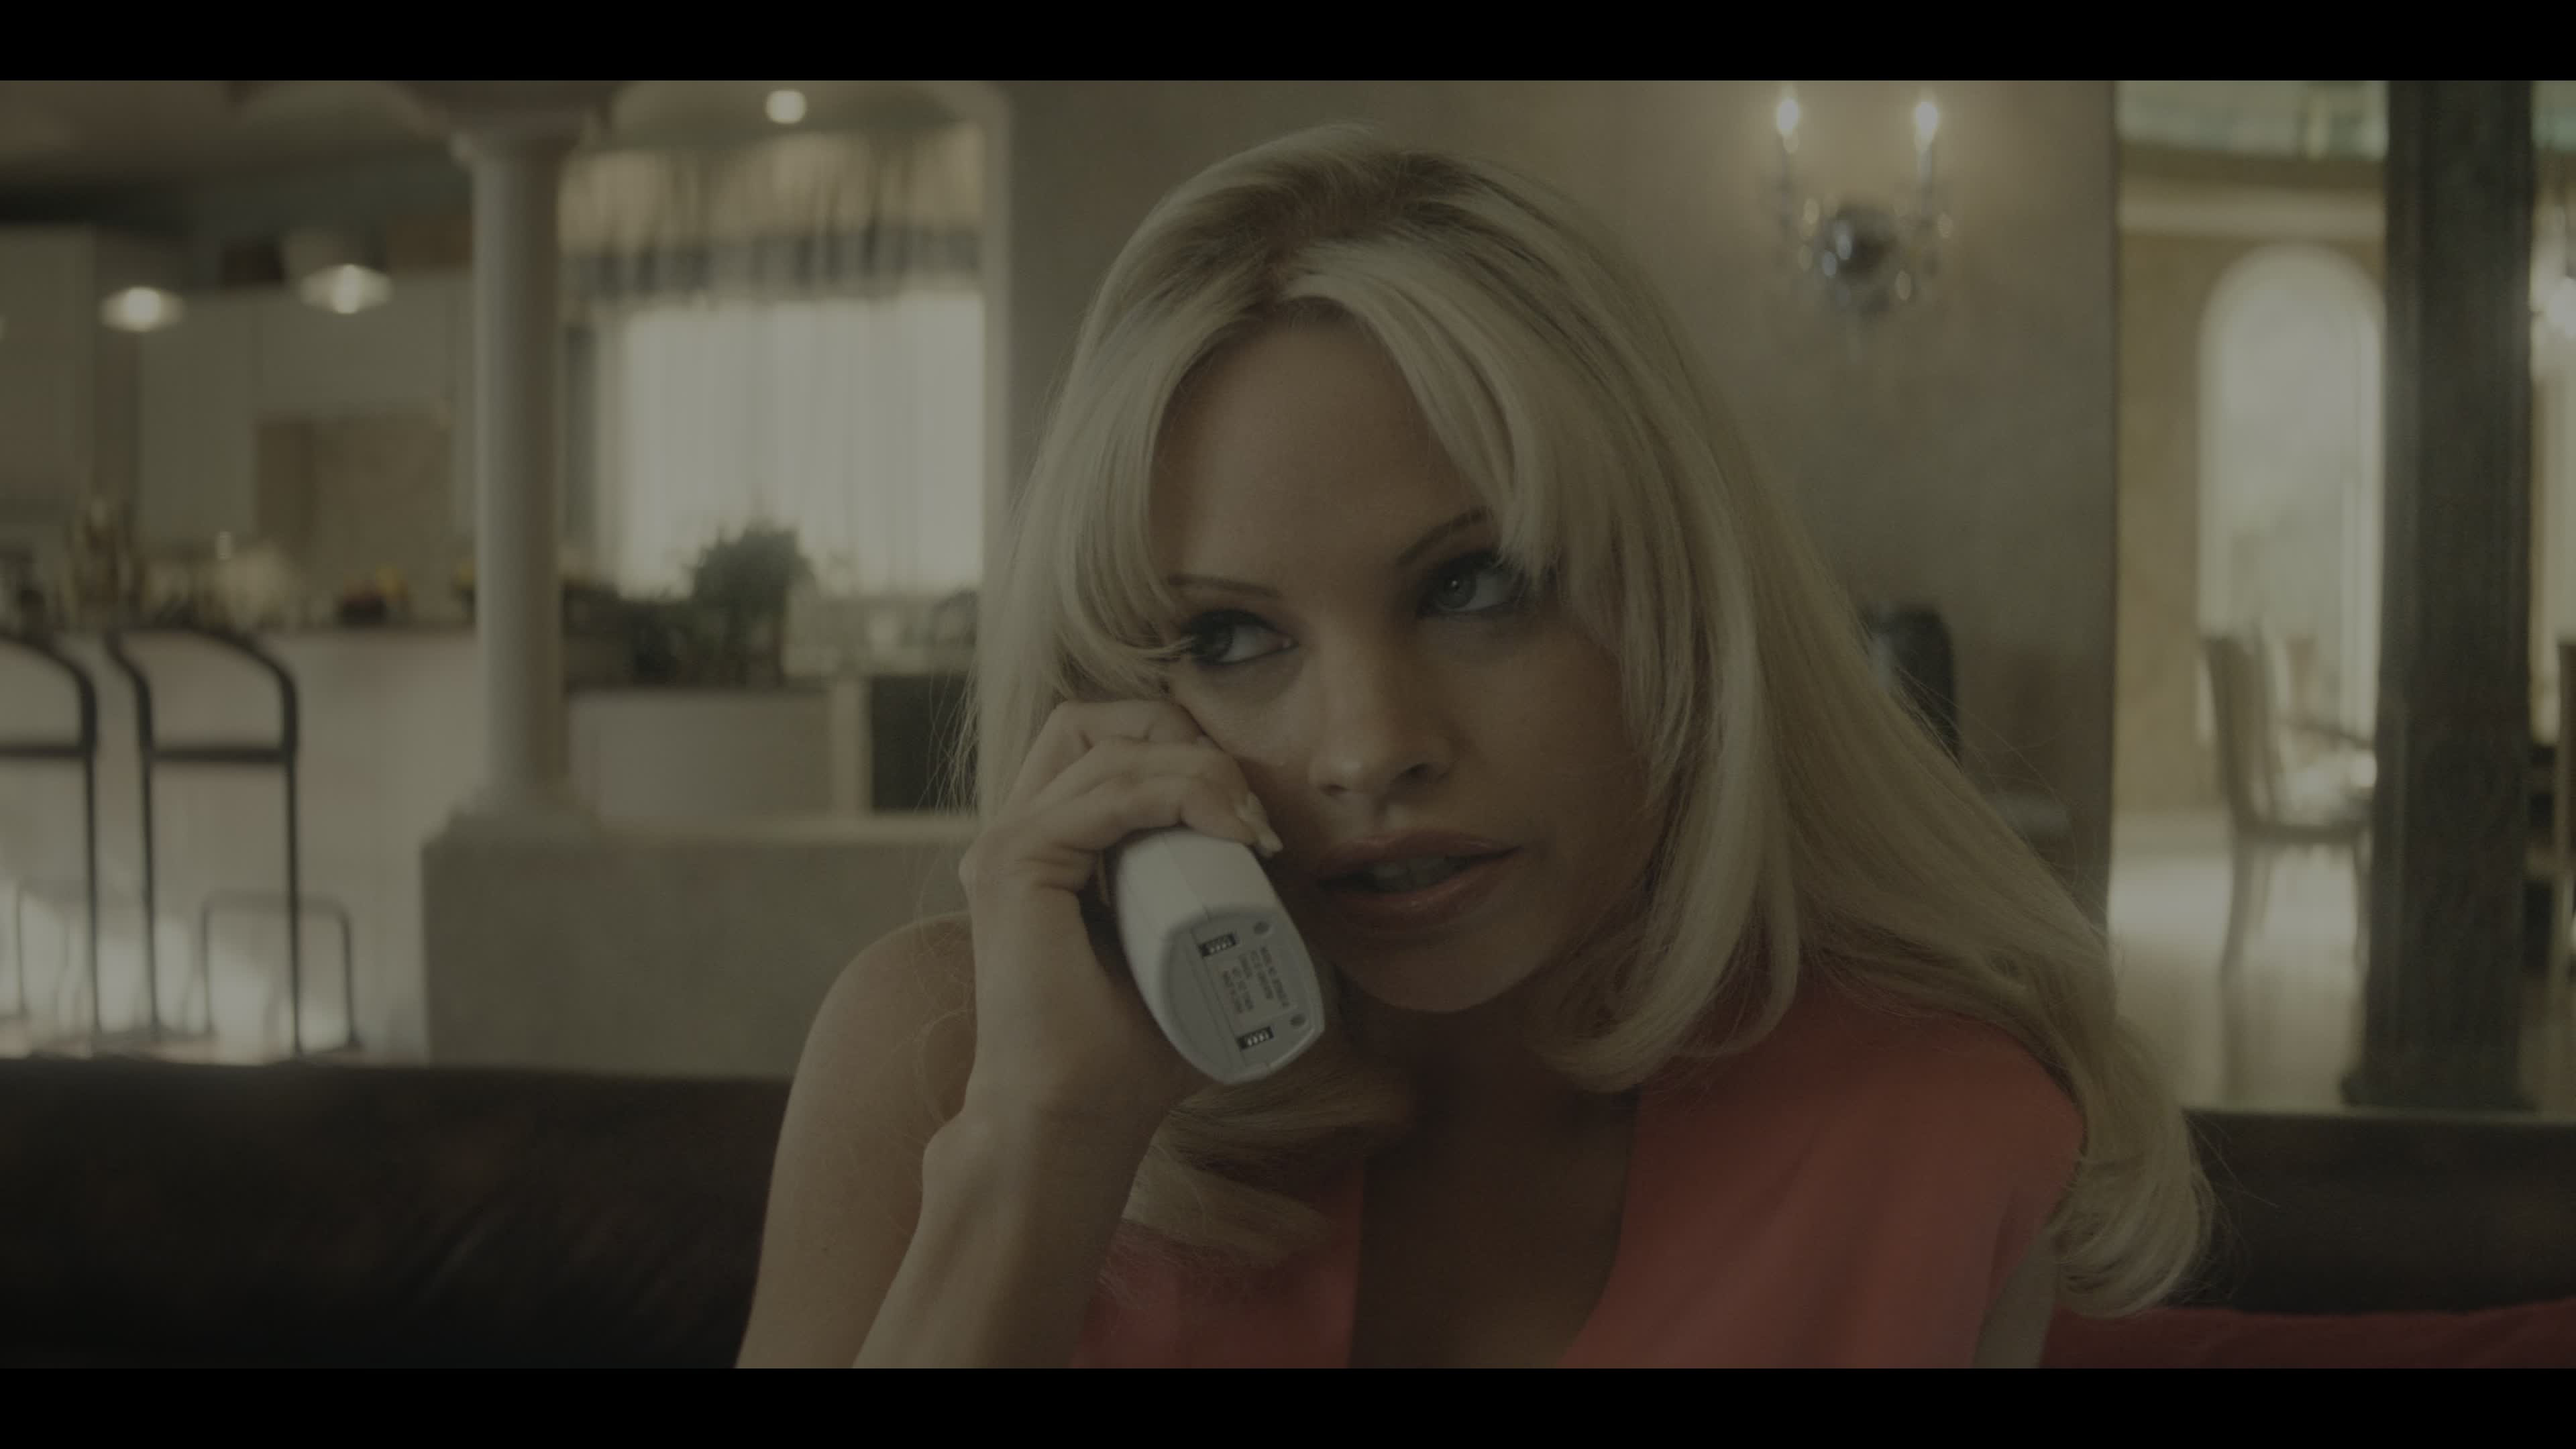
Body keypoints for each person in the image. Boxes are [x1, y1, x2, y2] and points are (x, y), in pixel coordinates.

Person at [735, 121, 2211, 1369]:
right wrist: (1042, 1148)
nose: (1369, 749)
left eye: (1474, 587)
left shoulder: (1938, 1137)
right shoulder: (941, 1065)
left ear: (1683, 610)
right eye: (1232, 637)